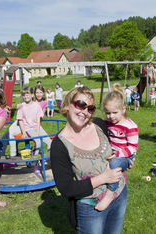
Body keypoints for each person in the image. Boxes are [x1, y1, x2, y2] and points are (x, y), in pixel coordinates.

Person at [50, 86, 134, 233]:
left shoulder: (100, 125)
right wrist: (103, 178)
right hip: (91, 207)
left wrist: (123, 160)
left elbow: (112, 151)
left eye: (90, 108)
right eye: (80, 105)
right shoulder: (59, 145)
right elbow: (66, 188)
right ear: (68, 104)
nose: (85, 112)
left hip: (119, 193)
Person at [95, 83, 138, 211]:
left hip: (124, 154)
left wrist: (118, 154)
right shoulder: (108, 122)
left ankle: (110, 193)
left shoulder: (130, 126)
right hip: (113, 151)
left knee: (114, 162)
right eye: (108, 113)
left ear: (123, 109)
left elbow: (133, 147)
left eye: (115, 112)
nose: (111, 116)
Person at [0, 85, 48, 158]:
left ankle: (13, 155)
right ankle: (7, 156)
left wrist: (36, 130)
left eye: (40, 93)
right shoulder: (26, 103)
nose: (39, 95)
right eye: (37, 93)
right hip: (20, 123)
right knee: (6, 137)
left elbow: (40, 117)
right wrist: (18, 106)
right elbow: (23, 107)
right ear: (34, 94)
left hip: (30, 125)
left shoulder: (42, 103)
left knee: (10, 136)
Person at [15, 87, 52, 172]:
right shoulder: (21, 106)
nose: (26, 97)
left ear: (32, 95)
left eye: (27, 94)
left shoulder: (36, 105)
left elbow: (38, 118)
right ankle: (33, 163)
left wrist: (38, 130)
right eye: (24, 95)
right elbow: (20, 120)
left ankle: (49, 161)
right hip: (28, 128)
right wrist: (24, 132)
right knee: (38, 142)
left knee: (50, 142)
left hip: (37, 127)